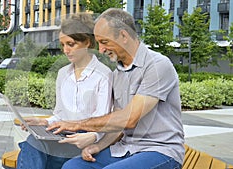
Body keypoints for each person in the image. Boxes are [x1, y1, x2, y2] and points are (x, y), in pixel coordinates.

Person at [48, 8, 185, 169]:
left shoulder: (157, 65)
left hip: (160, 150)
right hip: (125, 149)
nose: (100, 50)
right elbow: (117, 124)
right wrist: (98, 146)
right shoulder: (117, 73)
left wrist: (77, 124)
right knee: (73, 166)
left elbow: (129, 119)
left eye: (104, 42)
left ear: (123, 36)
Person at [16, 13, 114, 169]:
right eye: (62, 45)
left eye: (71, 44)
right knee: (32, 144)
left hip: (84, 139)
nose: (65, 50)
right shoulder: (63, 73)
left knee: (38, 157)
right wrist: (44, 122)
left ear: (87, 42)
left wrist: (93, 137)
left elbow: (103, 121)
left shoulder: (104, 75)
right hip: (61, 136)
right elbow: (60, 114)